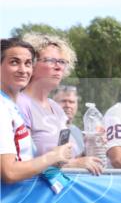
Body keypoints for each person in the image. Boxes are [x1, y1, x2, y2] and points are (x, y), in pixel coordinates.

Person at [17, 34, 102, 174]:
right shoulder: (19, 104)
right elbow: (18, 163)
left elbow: (66, 159)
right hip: (32, 192)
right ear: (31, 63)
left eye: (62, 62)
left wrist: (92, 145)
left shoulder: (56, 108)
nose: (58, 67)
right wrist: (72, 165)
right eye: (50, 60)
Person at [1, 38, 74, 183]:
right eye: (14, 62)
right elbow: (9, 172)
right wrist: (53, 157)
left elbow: (25, 162)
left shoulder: (10, 106)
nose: (23, 70)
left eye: (28, 63)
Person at [52, 85, 84, 156]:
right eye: (63, 101)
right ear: (53, 104)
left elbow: (78, 158)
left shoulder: (76, 131)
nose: (68, 105)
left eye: (72, 102)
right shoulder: (49, 129)